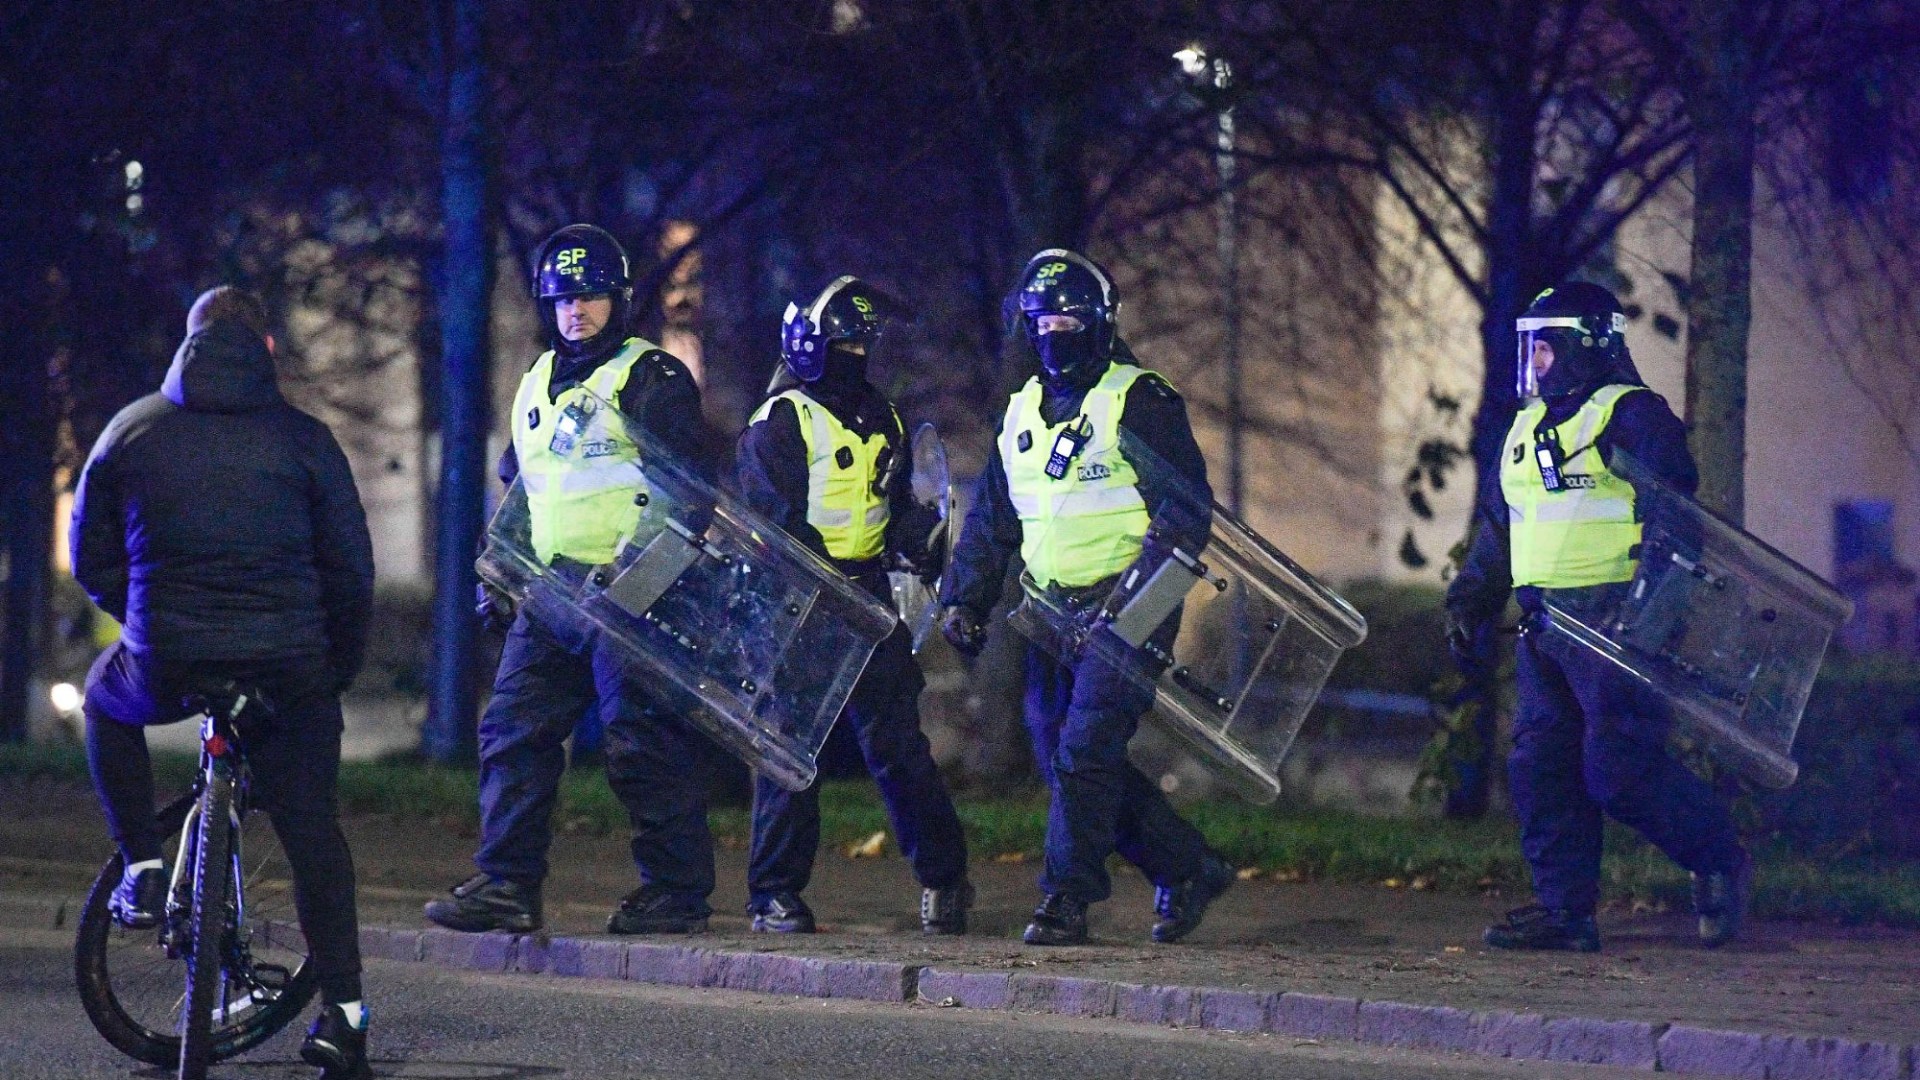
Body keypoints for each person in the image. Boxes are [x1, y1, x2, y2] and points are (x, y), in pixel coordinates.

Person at [72, 286, 376, 1079]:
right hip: (287, 669)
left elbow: (90, 557)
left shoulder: (132, 430)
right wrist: (332, 670)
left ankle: (139, 865)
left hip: (169, 659)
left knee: (105, 704)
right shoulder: (306, 441)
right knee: (312, 827)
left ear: (188, 344)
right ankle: (344, 1018)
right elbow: (350, 572)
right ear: (267, 350)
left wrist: (141, 616)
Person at [424, 224, 720, 936]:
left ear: (617, 299)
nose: (575, 310)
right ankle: (507, 885)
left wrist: (640, 575)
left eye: (588, 296)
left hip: (631, 594)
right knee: (511, 732)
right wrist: (498, 573)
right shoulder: (535, 382)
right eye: (561, 298)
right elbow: (522, 490)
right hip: (554, 593)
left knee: (639, 743)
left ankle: (676, 893)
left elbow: (689, 494)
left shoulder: (650, 375)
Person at [939, 249, 1235, 946]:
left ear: (1101, 323)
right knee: (1069, 758)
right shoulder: (1019, 413)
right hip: (1049, 613)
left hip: (1131, 610)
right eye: (1042, 319)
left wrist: (1137, 597)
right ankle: (1188, 867)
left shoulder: (1140, 399)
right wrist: (965, 599)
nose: (1055, 331)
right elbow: (992, 519)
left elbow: (1186, 510)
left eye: (1070, 317)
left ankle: (1067, 898)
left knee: (1082, 752)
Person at [1446, 281, 1752, 953]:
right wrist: (1470, 600)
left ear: (1585, 347)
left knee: (1619, 771)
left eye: (1544, 349)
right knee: (1539, 766)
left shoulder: (1632, 414)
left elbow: (1677, 523)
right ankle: (1566, 913)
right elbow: (1501, 526)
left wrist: (1650, 618)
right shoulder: (1525, 427)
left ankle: (1721, 860)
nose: (1533, 364)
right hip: (1546, 628)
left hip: (1617, 626)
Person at [734, 276, 973, 934]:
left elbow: (889, 507)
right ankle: (774, 894)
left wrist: (915, 536)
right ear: (808, 344)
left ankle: (945, 877)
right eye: (841, 343)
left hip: (866, 597)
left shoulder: (883, 417)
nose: (854, 356)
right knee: (789, 748)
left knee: (898, 748)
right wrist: (824, 586)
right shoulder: (780, 421)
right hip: (796, 599)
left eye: (862, 344)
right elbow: (773, 524)